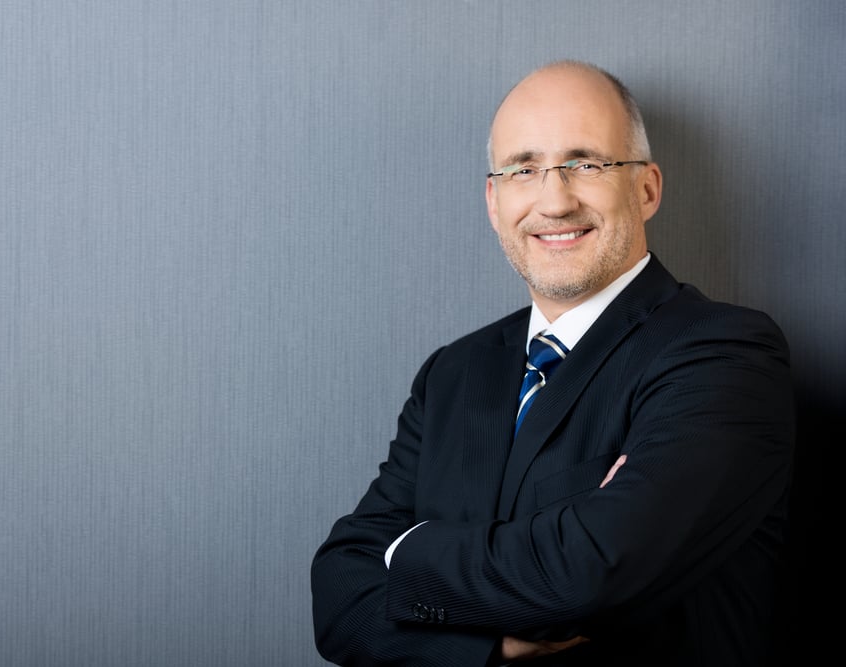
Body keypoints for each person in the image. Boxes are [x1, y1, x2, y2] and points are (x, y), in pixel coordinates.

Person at [310, 60, 795, 666]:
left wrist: (403, 549)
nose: (554, 199)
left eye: (586, 163)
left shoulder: (723, 355)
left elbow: (586, 574)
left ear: (646, 189)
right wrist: (491, 642)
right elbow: (335, 597)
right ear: (494, 200)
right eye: (523, 169)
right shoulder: (453, 374)